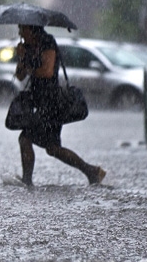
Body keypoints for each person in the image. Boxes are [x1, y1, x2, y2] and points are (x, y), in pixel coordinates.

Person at [14, 24, 106, 187]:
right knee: (52, 148)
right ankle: (91, 171)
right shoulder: (26, 47)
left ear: (32, 29)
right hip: (38, 101)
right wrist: (21, 57)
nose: (20, 32)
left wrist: (28, 66)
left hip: (51, 102)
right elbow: (20, 77)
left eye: (22, 29)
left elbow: (47, 72)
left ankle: (27, 181)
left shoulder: (47, 42)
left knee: (27, 138)